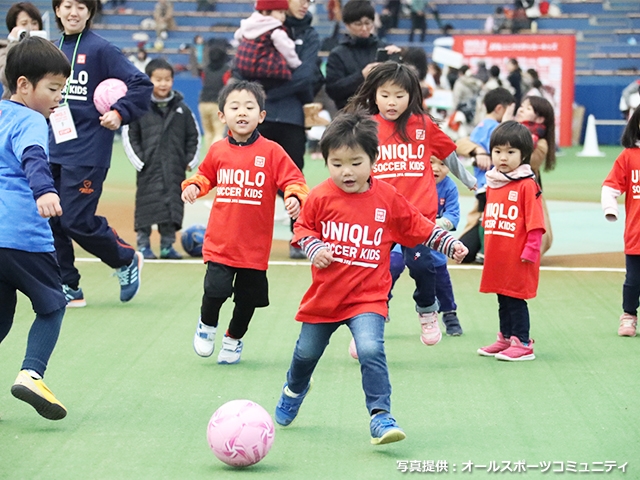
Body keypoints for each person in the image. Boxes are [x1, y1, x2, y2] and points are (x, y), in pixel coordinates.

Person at [274, 111, 468, 444]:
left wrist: (447, 242)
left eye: (355, 162)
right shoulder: (320, 196)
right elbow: (303, 229)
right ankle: (294, 389)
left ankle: (381, 416)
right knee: (306, 353)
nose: (346, 171)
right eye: (336, 163)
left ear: (372, 159)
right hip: (325, 298)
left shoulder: (387, 197)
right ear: (326, 161)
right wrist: (314, 246)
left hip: (368, 298)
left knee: (370, 350)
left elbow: (418, 226)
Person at [345, 62, 476, 346]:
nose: (392, 102)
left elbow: (450, 153)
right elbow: (352, 164)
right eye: (385, 94)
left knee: (423, 268)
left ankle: (427, 311)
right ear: (374, 94)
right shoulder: (366, 127)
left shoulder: (423, 125)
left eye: (400, 95)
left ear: (412, 96)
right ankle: (365, 328)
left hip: (418, 217)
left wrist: (470, 181)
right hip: (378, 216)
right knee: (372, 272)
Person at [182, 81, 309, 364]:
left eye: (250, 107)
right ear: (222, 116)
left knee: (248, 299)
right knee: (215, 290)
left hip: (254, 248)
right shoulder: (218, 151)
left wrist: (293, 197)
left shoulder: (273, 151)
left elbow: (295, 180)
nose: (243, 112)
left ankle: (233, 338)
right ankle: (207, 325)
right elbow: (204, 176)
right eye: (235, 107)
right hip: (221, 243)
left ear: (261, 116)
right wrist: (193, 186)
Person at [49, 0, 153, 307]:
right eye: (67, 5)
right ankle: (68, 285)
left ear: (90, 12)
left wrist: (119, 113)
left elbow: (140, 84)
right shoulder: (52, 50)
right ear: (57, 10)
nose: (74, 12)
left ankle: (125, 259)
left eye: (81, 6)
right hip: (52, 147)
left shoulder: (101, 50)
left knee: (75, 220)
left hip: (88, 150)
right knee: (51, 220)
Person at [0, 36, 71, 420]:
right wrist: (44, 190)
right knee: (52, 305)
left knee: (1, 315)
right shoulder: (31, 120)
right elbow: (33, 157)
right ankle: (31, 373)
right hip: (23, 235)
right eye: (53, 88)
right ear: (24, 85)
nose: (58, 96)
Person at [255, 0, 322, 259]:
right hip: (261, 117)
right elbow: (244, 69)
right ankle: (249, 239)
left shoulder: (310, 34)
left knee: (294, 178)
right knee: (257, 180)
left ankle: (299, 236)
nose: (306, 4)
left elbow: (306, 76)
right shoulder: (260, 26)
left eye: (309, 1)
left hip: (292, 118)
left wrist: (265, 94)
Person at [477, 121, 544, 361]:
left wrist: (531, 250)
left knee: (515, 298)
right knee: (502, 296)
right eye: (497, 151)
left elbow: (536, 223)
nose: (502, 157)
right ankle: (505, 338)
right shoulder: (493, 182)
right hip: (498, 255)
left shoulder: (527, 184)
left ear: (524, 154)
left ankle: (523, 342)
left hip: (519, 256)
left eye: (510, 152)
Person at [122, 58, 201, 260]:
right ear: (149, 80)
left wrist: (190, 160)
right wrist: (140, 161)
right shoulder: (139, 107)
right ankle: (143, 245)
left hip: (175, 169)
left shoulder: (182, 109)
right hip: (148, 169)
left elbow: (194, 136)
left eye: (167, 79)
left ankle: (167, 246)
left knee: (172, 207)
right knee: (146, 208)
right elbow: (130, 135)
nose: (163, 83)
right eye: (158, 79)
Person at [388, 156, 463, 336]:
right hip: (405, 237)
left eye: (442, 164)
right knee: (392, 265)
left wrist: (429, 226)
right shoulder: (411, 181)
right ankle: (381, 303)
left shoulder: (449, 187)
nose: (436, 168)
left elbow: (453, 216)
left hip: (433, 240)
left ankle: (449, 313)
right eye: (430, 162)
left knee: (440, 279)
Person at [456, 87, 516, 263]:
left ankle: (483, 249)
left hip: (480, 183)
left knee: (487, 217)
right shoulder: (497, 128)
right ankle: (486, 251)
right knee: (491, 219)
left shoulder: (479, 127)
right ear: (500, 109)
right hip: (493, 184)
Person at [601, 107, 640, 337]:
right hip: (636, 234)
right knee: (633, 280)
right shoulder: (628, 156)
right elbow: (611, 187)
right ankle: (628, 315)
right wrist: (610, 208)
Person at [325, 0, 400, 111]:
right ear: (347, 25)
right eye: (358, 24)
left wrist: (398, 61)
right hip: (350, 116)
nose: (364, 28)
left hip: (382, 114)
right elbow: (333, 90)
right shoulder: (338, 54)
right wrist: (361, 76)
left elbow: (400, 84)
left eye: (368, 23)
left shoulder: (384, 49)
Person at [512, 95, 556, 255]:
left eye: (528, 108)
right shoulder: (507, 129)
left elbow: (528, 162)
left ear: (540, 117)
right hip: (499, 193)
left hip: (528, 192)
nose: (521, 109)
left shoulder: (540, 143)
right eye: (522, 105)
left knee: (541, 238)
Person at [234, 0, 306, 93]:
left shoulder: (248, 24)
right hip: (268, 73)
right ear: (266, 11)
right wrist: (296, 64)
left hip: (245, 70)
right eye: (280, 12)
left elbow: (238, 36)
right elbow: (287, 50)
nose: (283, 17)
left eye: (284, 13)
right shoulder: (276, 30)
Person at [1, 2, 43, 99]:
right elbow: (7, 78)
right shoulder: (4, 48)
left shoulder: (49, 49)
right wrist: (13, 43)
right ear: (13, 27)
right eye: (24, 24)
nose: (30, 28)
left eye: (34, 23)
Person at [198, 39, 229, 147]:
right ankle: (215, 157)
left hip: (203, 102)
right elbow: (227, 84)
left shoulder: (205, 70)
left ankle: (208, 158)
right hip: (217, 103)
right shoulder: (226, 70)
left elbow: (203, 81)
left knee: (208, 133)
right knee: (219, 132)